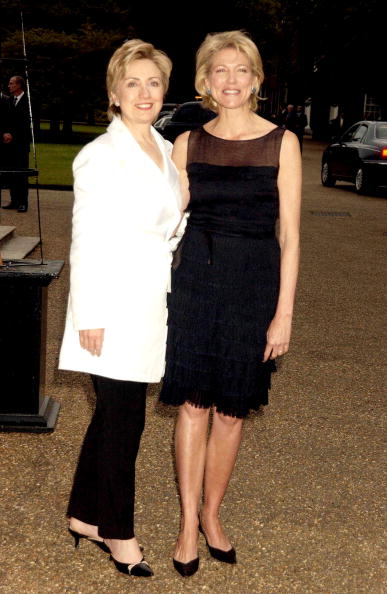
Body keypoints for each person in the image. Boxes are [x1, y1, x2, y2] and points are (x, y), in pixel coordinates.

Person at [160, 30, 301, 577]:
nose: (232, 79)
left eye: (242, 69)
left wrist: (283, 312)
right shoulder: (187, 144)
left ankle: (212, 516)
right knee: (193, 405)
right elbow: (161, 222)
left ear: (257, 80)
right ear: (205, 81)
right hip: (195, 282)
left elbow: (290, 234)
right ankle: (184, 525)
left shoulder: (282, 142)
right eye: (221, 69)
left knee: (231, 410)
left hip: (253, 289)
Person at [59, 39, 183, 578]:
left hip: (149, 302)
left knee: (114, 416)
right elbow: (86, 238)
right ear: (113, 92)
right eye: (132, 82)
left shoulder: (163, 146)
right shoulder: (99, 155)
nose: (144, 92)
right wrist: (88, 314)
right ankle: (118, 531)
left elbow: (167, 227)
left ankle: (85, 514)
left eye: (153, 82)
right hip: (108, 306)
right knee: (126, 421)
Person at [2, 76, 31, 212]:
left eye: (11, 83)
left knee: (21, 173)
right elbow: (4, 119)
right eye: (9, 83)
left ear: (19, 85)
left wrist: (13, 134)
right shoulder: (8, 101)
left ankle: (23, 202)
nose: (9, 86)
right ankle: (14, 200)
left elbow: (25, 124)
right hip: (8, 144)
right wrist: (4, 133)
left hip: (21, 144)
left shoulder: (28, 102)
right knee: (11, 173)